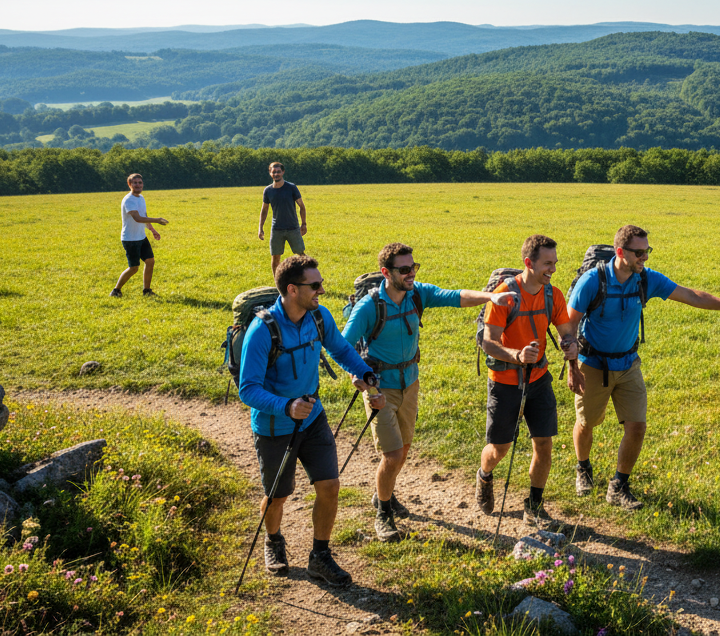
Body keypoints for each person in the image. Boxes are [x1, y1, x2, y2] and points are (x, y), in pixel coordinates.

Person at [564, 224, 720, 510]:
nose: (645, 257)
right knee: (586, 423)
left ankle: (619, 486)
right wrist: (573, 367)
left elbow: (691, 295)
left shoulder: (645, 279)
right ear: (621, 252)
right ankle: (583, 467)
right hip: (593, 364)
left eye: (648, 250)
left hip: (629, 363)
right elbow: (569, 326)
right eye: (639, 252)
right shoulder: (592, 282)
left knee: (637, 427)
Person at [342, 243, 517, 542]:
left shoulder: (417, 293)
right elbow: (343, 346)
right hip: (380, 387)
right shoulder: (370, 306)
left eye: (414, 267)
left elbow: (454, 297)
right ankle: (383, 513)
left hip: (410, 381)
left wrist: (491, 296)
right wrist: (358, 377)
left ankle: (382, 495)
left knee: (405, 448)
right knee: (393, 453)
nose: (411, 273)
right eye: (404, 269)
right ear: (387, 273)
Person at [237, 254, 382, 587]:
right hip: (275, 427)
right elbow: (248, 389)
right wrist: (286, 406)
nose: (321, 290)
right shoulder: (262, 330)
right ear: (292, 290)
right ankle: (273, 539)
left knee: (329, 486)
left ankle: (320, 556)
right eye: (314, 285)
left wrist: (365, 372)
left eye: (320, 283)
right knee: (277, 496)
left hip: (313, 418)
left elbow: (341, 349)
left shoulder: (318, 316)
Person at [476, 235, 580, 529]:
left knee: (544, 444)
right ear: (528, 263)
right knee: (500, 449)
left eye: (555, 263)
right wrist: (518, 355)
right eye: (547, 264)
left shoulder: (553, 295)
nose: (553, 269)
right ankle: (484, 475)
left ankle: (534, 505)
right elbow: (489, 342)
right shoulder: (504, 295)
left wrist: (571, 352)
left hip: (539, 379)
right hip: (505, 381)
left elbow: (565, 334)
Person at [111, 173, 167, 297]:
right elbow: (137, 218)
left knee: (150, 261)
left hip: (141, 237)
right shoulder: (128, 200)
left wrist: (152, 230)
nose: (138, 185)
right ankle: (116, 290)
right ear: (129, 184)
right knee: (134, 268)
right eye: (135, 183)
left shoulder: (141, 198)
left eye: (140, 183)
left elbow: (144, 216)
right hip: (130, 239)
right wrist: (157, 219)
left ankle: (146, 291)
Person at [258, 162, 308, 279]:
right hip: (276, 229)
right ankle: (278, 284)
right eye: (273, 172)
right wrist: (260, 228)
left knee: (301, 255)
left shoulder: (291, 187)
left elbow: (302, 206)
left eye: (278, 172)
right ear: (270, 173)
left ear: (283, 172)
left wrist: (304, 224)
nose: (276, 174)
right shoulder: (268, 191)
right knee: (275, 259)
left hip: (293, 228)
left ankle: (310, 278)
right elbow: (264, 210)